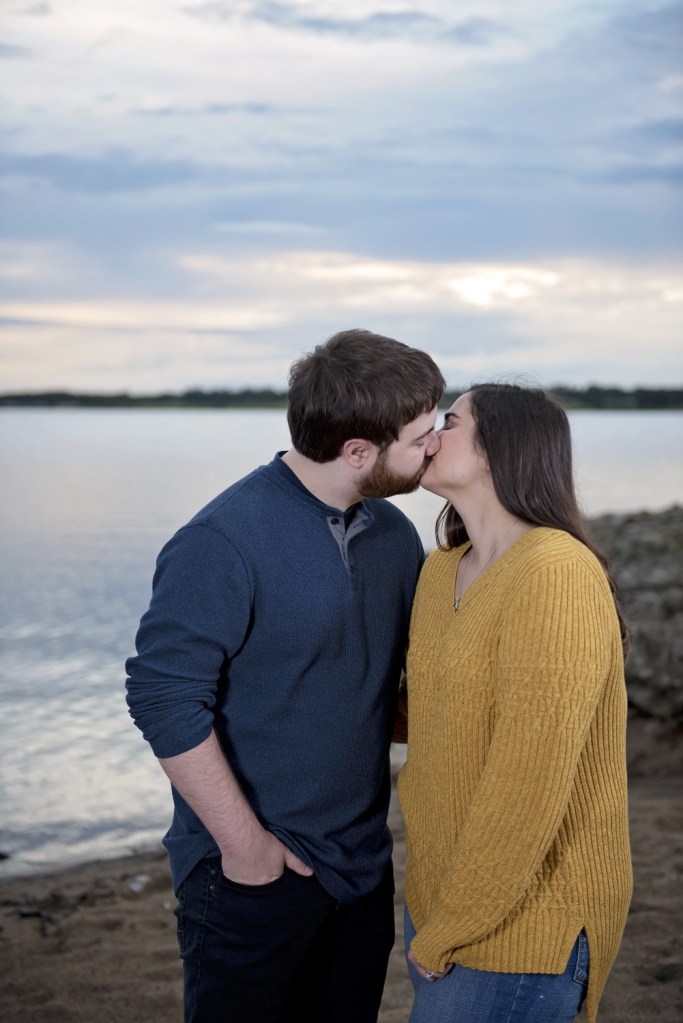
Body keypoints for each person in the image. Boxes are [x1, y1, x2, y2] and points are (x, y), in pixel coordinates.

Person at [125, 328, 445, 1023]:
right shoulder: (222, 539)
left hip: (360, 867)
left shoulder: (393, 535)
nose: (436, 443)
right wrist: (247, 849)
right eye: (421, 434)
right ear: (357, 451)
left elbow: (376, 691)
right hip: (249, 872)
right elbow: (162, 696)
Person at [398, 383, 633, 1023]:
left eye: (450, 420)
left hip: (527, 920)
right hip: (442, 899)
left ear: (503, 446)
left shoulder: (555, 572)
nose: (430, 434)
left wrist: (454, 923)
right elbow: (430, 715)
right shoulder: (441, 570)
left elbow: (528, 780)